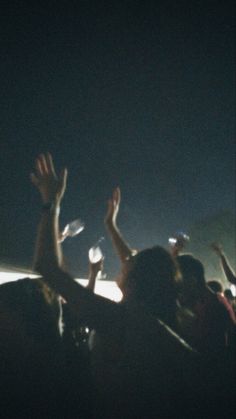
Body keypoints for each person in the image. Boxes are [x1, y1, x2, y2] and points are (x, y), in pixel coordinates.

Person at [31, 153, 204, 419]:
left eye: (130, 263)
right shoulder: (162, 318)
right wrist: (110, 226)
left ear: (134, 281)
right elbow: (137, 263)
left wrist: (50, 203)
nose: (124, 260)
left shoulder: (123, 321)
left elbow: (47, 266)